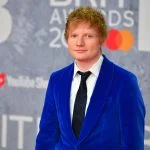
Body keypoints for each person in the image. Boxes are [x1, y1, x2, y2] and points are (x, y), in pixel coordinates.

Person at [35, 6, 145, 150]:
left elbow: (133, 143)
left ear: (101, 39)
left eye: (88, 36)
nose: (79, 43)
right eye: (74, 35)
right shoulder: (57, 80)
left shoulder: (124, 82)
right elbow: (46, 137)